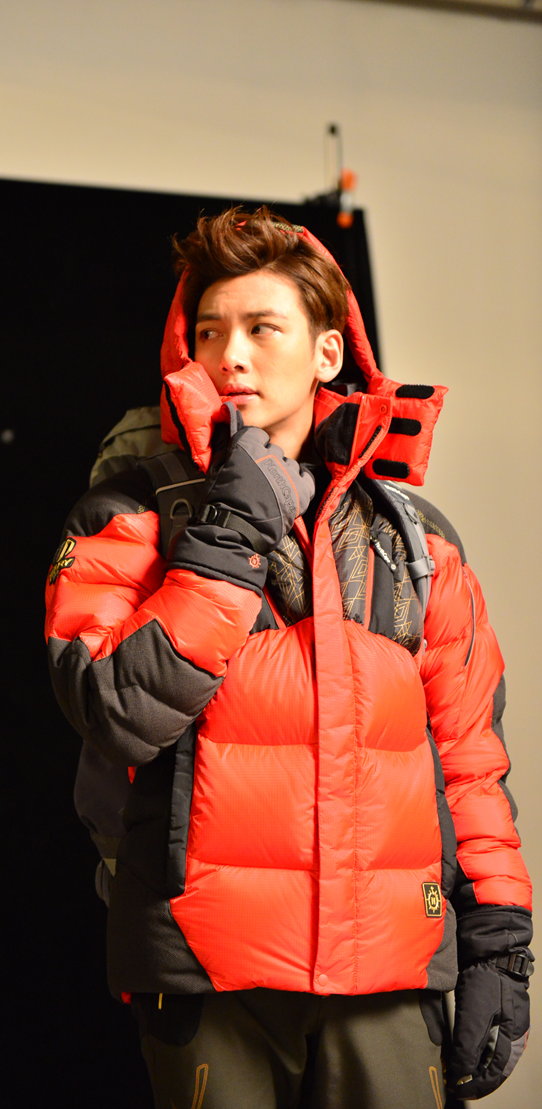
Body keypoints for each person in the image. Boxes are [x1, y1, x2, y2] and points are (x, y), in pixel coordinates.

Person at [45, 208, 533, 1108]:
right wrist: (228, 533)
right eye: (209, 332)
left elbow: (468, 761)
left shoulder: (418, 543)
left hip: (391, 976)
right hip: (207, 972)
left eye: (261, 328)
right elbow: (117, 709)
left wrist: (499, 937)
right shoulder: (128, 515)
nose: (229, 355)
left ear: (327, 352)